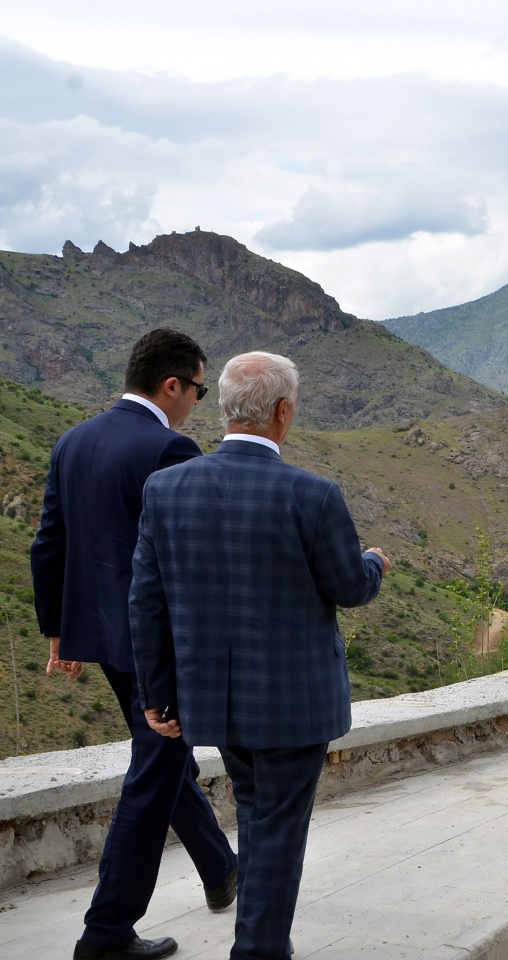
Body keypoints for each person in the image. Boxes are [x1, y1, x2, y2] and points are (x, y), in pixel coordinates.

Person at [131, 351, 389, 960]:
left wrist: (157, 693)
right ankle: (259, 950)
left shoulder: (166, 489)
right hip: (293, 705)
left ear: (224, 409)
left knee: (255, 814)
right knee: (277, 829)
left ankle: (260, 940)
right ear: (283, 411)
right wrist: (374, 563)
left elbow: (146, 601)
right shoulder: (314, 495)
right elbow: (350, 588)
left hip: (213, 702)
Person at [31, 328, 239, 960]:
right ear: (171, 385)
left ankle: (220, 868)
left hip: (101, 635)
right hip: (157, 646)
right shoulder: (169, 448)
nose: (198, 402)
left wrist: (59, 631)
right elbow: (188, 562)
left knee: (164, 759)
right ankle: (106, 932)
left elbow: (49, 542)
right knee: (153, 772)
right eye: (198, 389)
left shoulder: (73, 441)